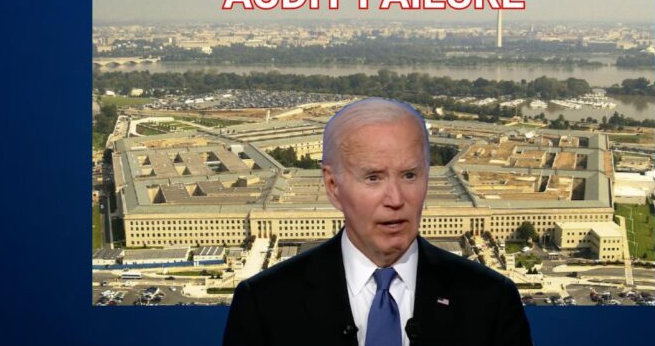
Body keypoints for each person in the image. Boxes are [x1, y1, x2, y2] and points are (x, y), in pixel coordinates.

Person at [223, 98, 533, 346]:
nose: (395, 198)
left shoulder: (491, 300)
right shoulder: (265, 304)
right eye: (373, 178)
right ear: (332, 186)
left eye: (410, 175)